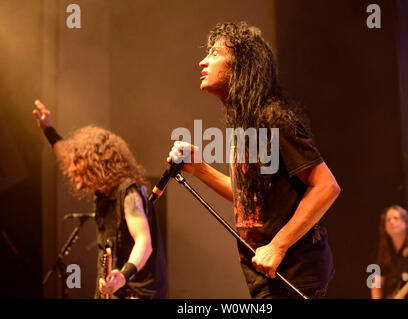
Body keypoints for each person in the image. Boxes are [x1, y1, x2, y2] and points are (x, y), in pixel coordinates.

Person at [168, 22, 340, 298]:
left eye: (214, 53)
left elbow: (326, 187)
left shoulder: (272, 118)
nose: (203, 61)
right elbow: (248, 197)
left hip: (295, 274)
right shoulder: (245, 126)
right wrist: (199, 169)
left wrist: (278, 246)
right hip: (267, 277)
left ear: (240, 64)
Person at [33, 100, 168, 299]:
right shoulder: (104, 193)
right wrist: (48, 129)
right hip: (115, 288)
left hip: (137, 292)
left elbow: (144, 241)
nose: (77, 182)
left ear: (95, 167)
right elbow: (67, 157)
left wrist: (123, 276)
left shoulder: (128, 192)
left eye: (79, 174)